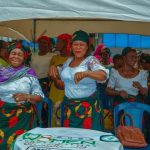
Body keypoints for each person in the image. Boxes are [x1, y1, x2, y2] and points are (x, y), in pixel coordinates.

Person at [49, 30, 109, 130]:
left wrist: (87, 73)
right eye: (75, 44)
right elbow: (61, 86)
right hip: (69, 108)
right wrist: (54, 72)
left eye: (81, 45)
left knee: (88, 140)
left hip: (88, 109)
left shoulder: (90, 61)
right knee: (71, 139)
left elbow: (103, 75)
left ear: (87, 47)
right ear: (71, 46)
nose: (78, 47)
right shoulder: (68, 62)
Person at [0, 42, 44, 149]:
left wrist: (26, 96)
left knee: (20, 145)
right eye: (13, 53)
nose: (15, 56)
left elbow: (39, 96)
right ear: (8, 55)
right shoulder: (1, 72)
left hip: (23, 118)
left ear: (24, 57)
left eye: (19, 54)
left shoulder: (29, 73)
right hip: (2, 117)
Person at [48, 33, 72, 127]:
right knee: (54, 116)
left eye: (58, 41)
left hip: (67, 91)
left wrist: (58, 68)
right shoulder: (54, 58)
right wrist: (53, 72)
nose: (56, 44)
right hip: (54, 90)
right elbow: (50, 76)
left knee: (66, 116)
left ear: (65, 43)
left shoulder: (72, 59)